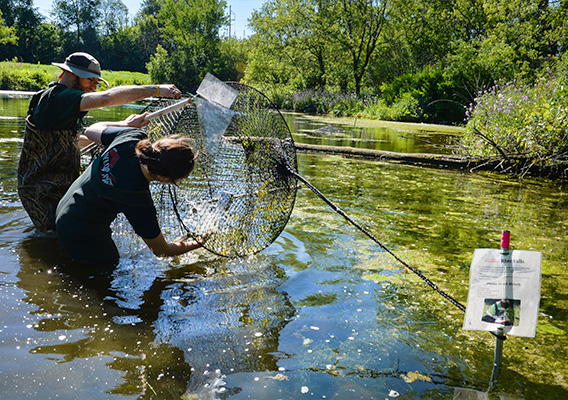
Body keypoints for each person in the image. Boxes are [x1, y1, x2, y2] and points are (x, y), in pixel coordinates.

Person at [18, 51, 182, 233]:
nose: (93, 87)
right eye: (90, 81)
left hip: (58, 185)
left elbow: (72, 142)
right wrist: (157, 90)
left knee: (67, 234)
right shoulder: (57, 98)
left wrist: (123, 126)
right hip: (42, 192)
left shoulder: (60, 103)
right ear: (71, 74)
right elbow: (107, 98)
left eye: (96, 83)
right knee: (57, 239)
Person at [55, 113, 203, 266]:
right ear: (165, 178)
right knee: (106, 269)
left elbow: (90, 130)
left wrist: (125, 124)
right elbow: (161, 251)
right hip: (80, 229)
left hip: (65, 205)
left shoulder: (132, 136)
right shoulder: (138, 198)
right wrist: (198, 243)